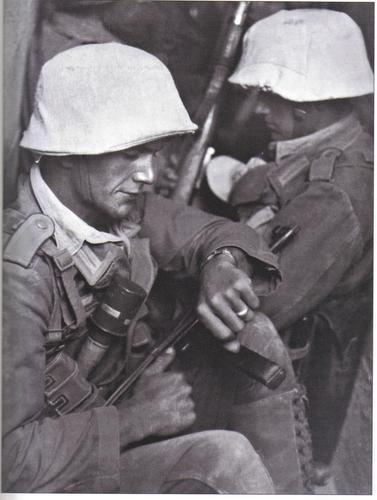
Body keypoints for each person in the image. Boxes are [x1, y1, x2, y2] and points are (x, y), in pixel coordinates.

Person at [2, 42, 310, 494]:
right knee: (224, 460)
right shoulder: (18, 276)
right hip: (62, 466)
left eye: (155, 152)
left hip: (118, 395)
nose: (148, 174)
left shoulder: (111, 205)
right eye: (131, 153)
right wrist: (133, 421)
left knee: (254, 334)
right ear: (67, 149)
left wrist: (221, 263)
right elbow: (10, 462)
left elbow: (214, 233)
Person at [207, 8, 373, 473]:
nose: (259, 108)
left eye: (270, 97)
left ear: (308, 104)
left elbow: (263, 305)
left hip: (284, 377)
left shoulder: (336, 193)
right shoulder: (324, 147)